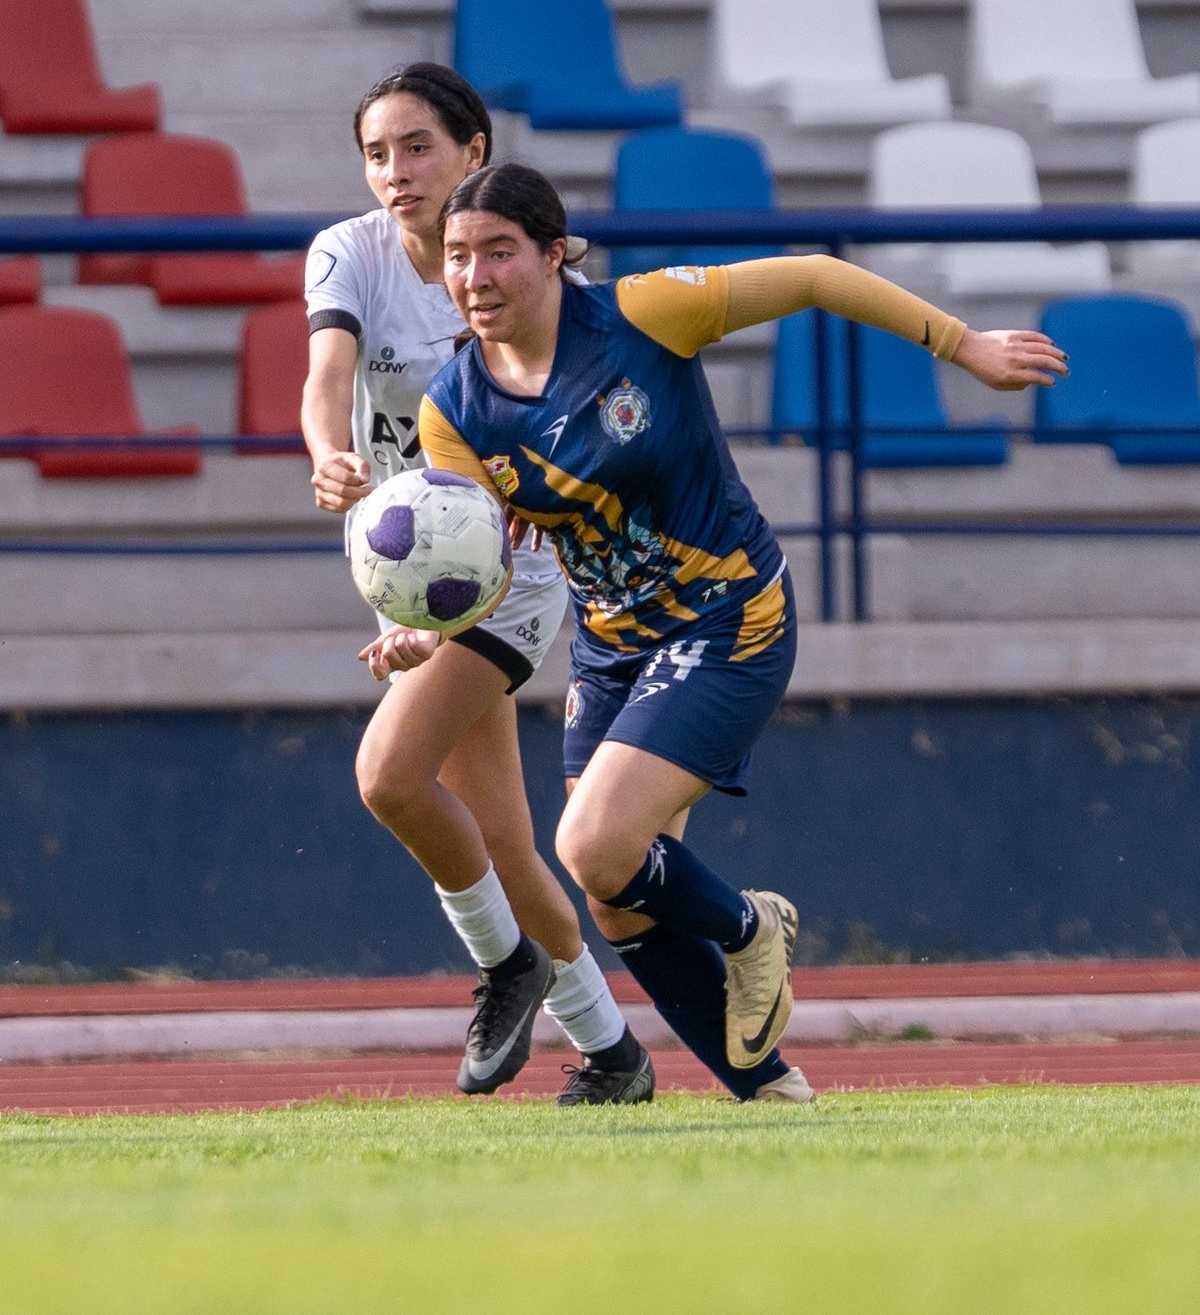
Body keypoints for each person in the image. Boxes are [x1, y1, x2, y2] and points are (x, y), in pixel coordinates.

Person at [376, 162, 1069, 1103]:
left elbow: (820, 274)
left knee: (591, 846)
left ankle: (751, 928)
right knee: (615, 902)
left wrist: (965, 346)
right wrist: (426, 630)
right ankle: (773, 1098)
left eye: (501, 252)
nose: (477, 276)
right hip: (615, 644)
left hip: (729, 613)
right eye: (459, 257)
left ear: (553, 254)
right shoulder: (454, 409)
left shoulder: (646, 314)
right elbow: (480, 560)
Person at [301, 67, 653, 1106]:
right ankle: (613, 1054)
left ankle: (506, 964)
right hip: (409, 560)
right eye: (377, 152)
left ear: (475, 152)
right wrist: (328, 452)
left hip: (516, 563)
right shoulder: (349, 253)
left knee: (392, 778)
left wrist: (448, 610)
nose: (395, 172)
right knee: (499, 835)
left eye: (417, 147)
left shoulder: (513, 277)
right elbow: (327, 376)